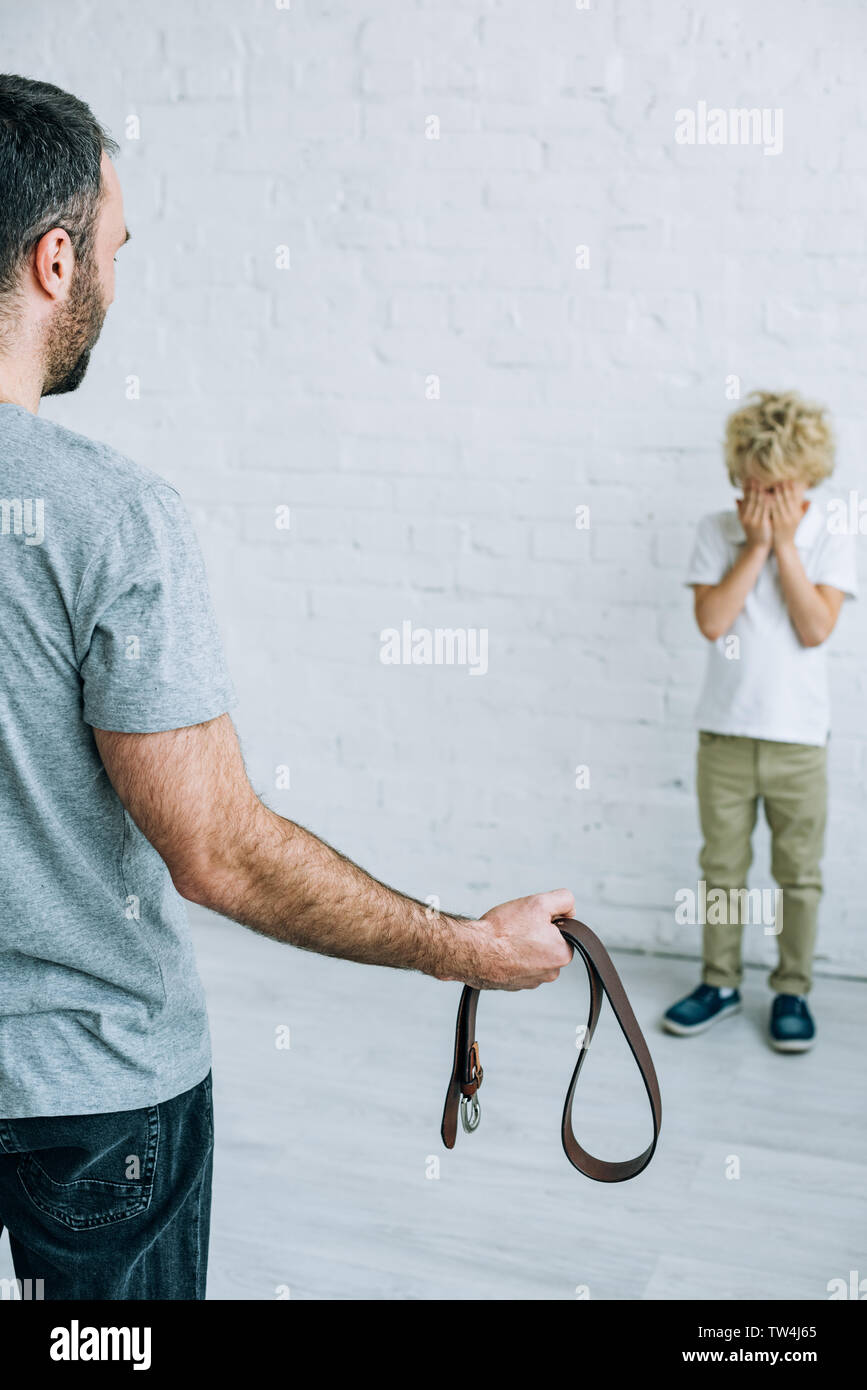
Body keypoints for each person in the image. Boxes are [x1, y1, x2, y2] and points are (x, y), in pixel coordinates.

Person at [0, 75, 573, 1300]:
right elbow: (222, 854)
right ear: (55, 262)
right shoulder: (110, 518)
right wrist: (462, 945)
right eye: (112, 247)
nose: (114, 274)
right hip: (91, 1097)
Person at [664, 390, 857, 1053]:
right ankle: (718, 983)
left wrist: (785, 549)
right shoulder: (715, 531)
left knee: (797, 875)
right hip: (723, 735)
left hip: (798, 742)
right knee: (721, 870)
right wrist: (752, 548)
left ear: (805, 476)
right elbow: (713, 623)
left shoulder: (832, 530)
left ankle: (791, 990)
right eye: (752, 482)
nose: (763, 494)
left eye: (777, 485)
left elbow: (814, 628)